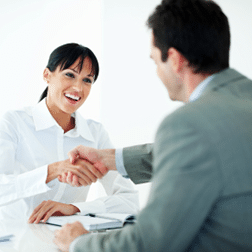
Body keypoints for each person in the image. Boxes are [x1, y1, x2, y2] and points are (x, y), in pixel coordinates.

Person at [53, 0, 252, 251]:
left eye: (156, 61)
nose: (157, 72)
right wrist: (108, 158)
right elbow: (203, 152)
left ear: (175, 59)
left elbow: (151, 242)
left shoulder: (187, 124)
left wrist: (78, 242)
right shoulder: (239, 105)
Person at [0, 43, 139, 223]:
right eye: (70, 75)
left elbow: (130, 200)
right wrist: (53, 170)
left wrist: (76, 208)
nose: (78, 88)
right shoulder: (14, 123)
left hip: (66, 243)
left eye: (87, 80)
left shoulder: (95, 134)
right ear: (47, 75)